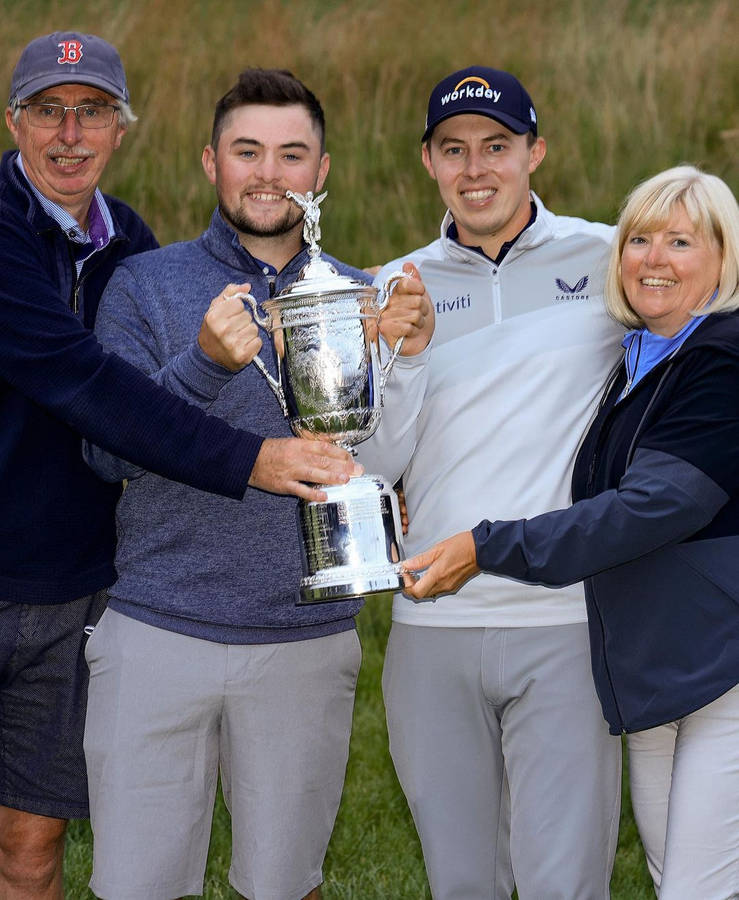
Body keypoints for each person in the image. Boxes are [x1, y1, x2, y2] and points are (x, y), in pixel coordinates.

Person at [0, 34, 360, 900]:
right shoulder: (141, 277)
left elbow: (377, 442)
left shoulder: (125, 243)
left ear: (120, 129)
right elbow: (92, 399)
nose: (70, 133)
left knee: (30, 849)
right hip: (140, 612)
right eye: (49, 110)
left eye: (92, 111)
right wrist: (246, 443)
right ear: (14, 122)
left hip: (70, 582)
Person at [82, 68, 433, 900]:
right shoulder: (144, 285)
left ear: (322, 171)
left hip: (303, 640)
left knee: (284, 886)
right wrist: (203, 364)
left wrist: (406, 356)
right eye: (247, 152)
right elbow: (104, 457)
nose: (269, 173)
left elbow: (387, 462)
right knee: (134, 887)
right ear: (211, 163)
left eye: (291, 154)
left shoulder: (357, 297)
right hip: (157, 631)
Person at [404, 165, 739, 900]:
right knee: (672, 876)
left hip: (724, 671)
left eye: (681, 241)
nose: (653, 258)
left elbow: (650, 507)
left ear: (724, 258)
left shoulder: (722, 360)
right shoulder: (637, 364)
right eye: (639, 239)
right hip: (659, 674)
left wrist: (486, 545)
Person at [357, 66, 626, 899]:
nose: (475, 169)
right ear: (428, 162)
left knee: (563, 884)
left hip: (565, 619)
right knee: (460, 882)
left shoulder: (610, 256)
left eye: (496, 146)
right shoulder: (392, 284)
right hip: (432, 620)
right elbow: (371, 470)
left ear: (533, 153)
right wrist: (405, 358)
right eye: (453, 149)